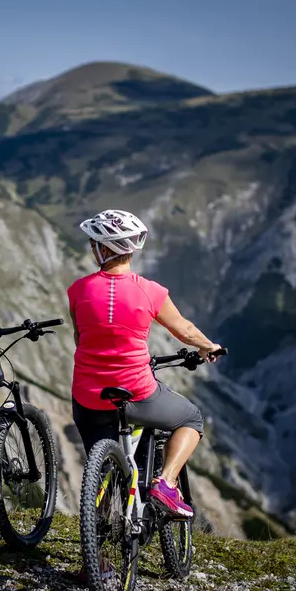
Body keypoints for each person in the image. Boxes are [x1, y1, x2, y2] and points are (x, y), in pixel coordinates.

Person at [67, 209, 224, 519]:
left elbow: (80, 337)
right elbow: (185, 331)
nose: (90, 247)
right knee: (191, 419)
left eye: (93, 242)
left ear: (105, 248)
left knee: (100, 474)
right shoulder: (150, 291)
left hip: (87, 397)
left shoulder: (78, 291)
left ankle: (95, 559)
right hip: (137, 392)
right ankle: (165, 484)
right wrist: (209, 346)